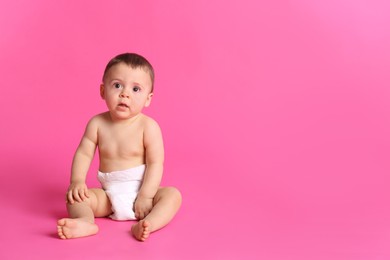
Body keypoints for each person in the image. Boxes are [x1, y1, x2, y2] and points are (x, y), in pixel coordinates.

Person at [57, 53, 182, 241]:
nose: (125, 93)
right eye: (117, 85)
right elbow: (84, 153)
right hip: (108, 196)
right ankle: (86, 221)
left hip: (142, 191)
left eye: (136, 89)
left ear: (148, 99)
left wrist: (146, 196)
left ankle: (149, 224)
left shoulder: (148, 127)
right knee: (75, 198)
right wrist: (77, 181)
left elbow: (156, 163)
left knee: (173, 195)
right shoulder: (97, 124)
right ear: (102, 91)